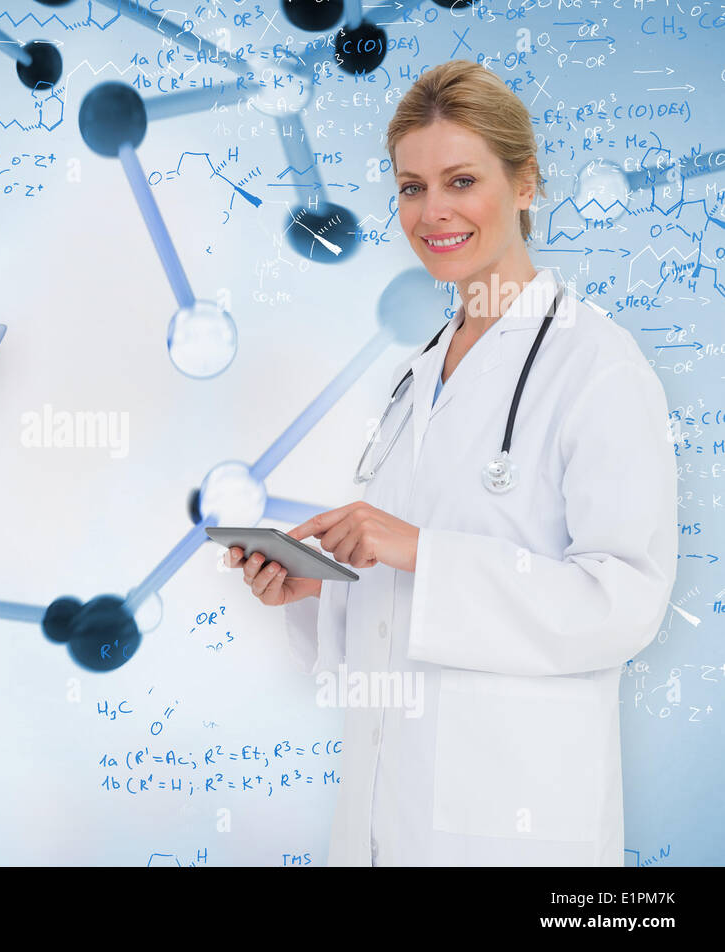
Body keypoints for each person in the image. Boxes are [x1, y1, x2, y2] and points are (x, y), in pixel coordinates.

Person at [226, 59, 677, 866]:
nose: (432, 212)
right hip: (382, 814)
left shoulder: (598, 366)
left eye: (461, 180)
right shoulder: (417, 372)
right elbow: (402, 601)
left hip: (517, 824)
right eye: (410, 187)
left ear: (526, 184)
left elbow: (625, 601)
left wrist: (420, 552)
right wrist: (312, 590)